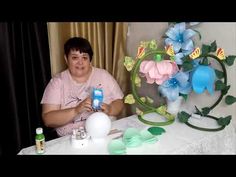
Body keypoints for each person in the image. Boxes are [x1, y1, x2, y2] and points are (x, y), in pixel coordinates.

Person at [41, 37, 124, 137]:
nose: (80, 62)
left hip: (105, 132)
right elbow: (48, 119)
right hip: (73, 138)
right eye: (75, 58)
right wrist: (76, 110)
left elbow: (119, 102)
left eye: (84, 57)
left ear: (90, 60)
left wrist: (110, 109)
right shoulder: (57, 82)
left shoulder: (103, 75)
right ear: (66, 59)